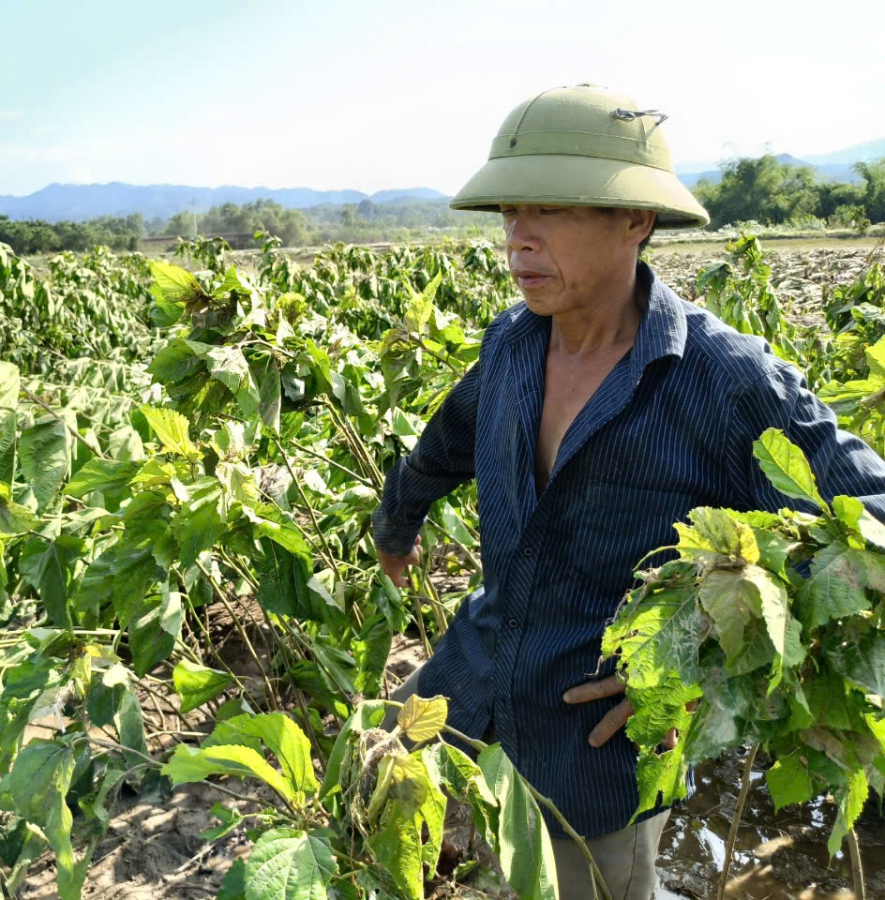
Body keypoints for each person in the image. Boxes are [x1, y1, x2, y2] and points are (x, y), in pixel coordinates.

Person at [372, 84, 885, 899]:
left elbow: (870, 525)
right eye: (510, 212)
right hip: (474, 668)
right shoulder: (511, 342)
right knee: (377, 798)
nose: (520, 240)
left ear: (635, 222)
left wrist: (702, 659)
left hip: (602, 739)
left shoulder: (727, 380)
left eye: (553, 211)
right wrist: (398, 523)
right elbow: (449, 438)